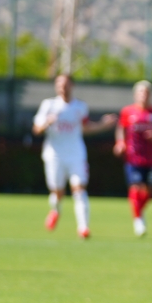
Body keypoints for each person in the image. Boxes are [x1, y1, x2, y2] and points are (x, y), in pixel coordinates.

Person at [32, 73, 117, 238]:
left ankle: (83, 227)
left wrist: (103, 125)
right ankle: (56, 210)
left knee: (79, 188)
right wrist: (47, 123)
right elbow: (36, 129)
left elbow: (85, 127)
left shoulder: (80, 107)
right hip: (54, 155)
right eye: (59, 84)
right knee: (58, 192)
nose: (62, 87)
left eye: (65, 84)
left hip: (76, 154)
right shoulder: (48, 105)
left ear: (72, 85)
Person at [114, 80, 152, 236]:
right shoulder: (127, 112)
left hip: (151, 158)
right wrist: (120, 143)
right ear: (135, 94)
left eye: (146, 93)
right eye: (141, 92)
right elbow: (121, 127)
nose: (144, 95)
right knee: (136, 188)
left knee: (147, 192)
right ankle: (138, 221)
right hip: (133, 157)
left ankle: (139, 213)